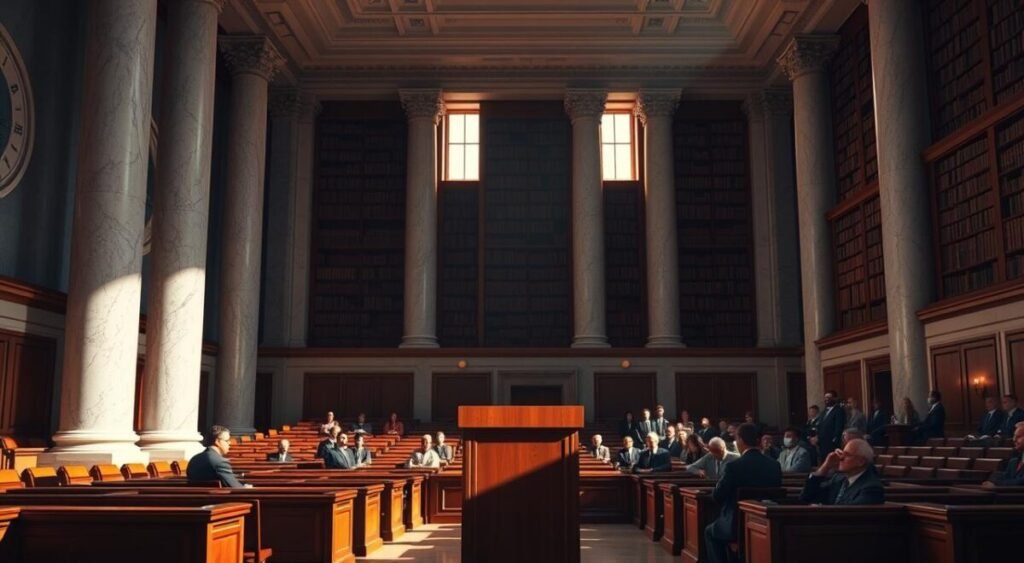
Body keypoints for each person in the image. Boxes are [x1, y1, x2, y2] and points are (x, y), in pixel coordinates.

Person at [705, 424, 782, 563]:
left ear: (740, 440)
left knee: (709, 532)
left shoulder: (734, 466)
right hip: (767, 523)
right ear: (758, 441)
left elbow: (717, 496)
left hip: (735, 525)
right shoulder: (774, 465)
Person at [800, 438, 884, 505]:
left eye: (847, 455)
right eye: (842, 453)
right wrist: (825, 467)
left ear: (861, 462)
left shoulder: (871, 488)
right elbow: (806, 497)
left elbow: (849, 515)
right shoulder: (838, 478)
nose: (841, 458)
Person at [816, 390, 846, 462]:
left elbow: (839, 426)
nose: (826, 399)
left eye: (829, 397)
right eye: (825, 397)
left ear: (834, 398)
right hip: (822, 442)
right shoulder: (823, 412)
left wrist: (835, 439)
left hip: (831, 442)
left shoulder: (839, 410)